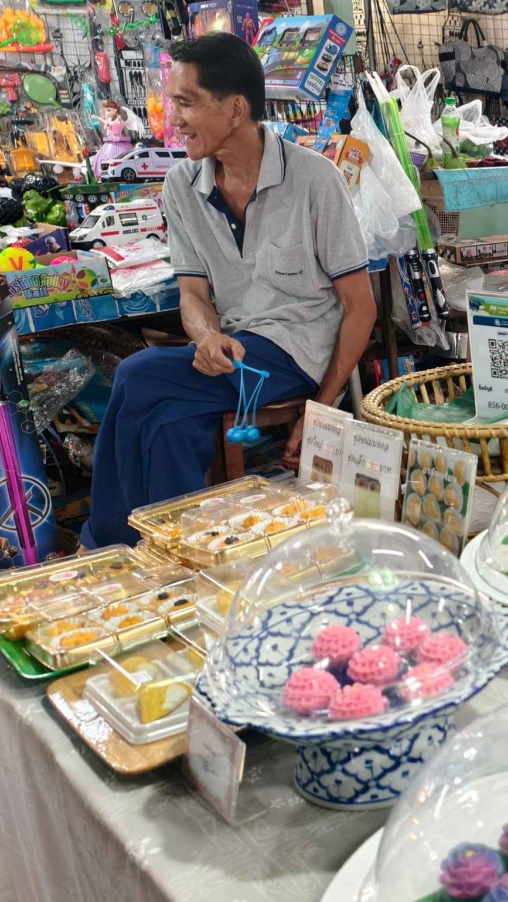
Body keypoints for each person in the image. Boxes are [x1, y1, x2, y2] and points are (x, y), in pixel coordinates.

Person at [79, 32, 375, 549]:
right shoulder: (181, 186)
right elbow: (193, 295)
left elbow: (361, 308)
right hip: (236, 350)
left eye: (186, 103)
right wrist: (205, 337)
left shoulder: (314, 180)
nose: (174, 119)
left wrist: (321, 407)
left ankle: (104, 542)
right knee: (170, 422)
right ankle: (185, 552)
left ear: (235, 109)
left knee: (136, 374)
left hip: (299, 353)